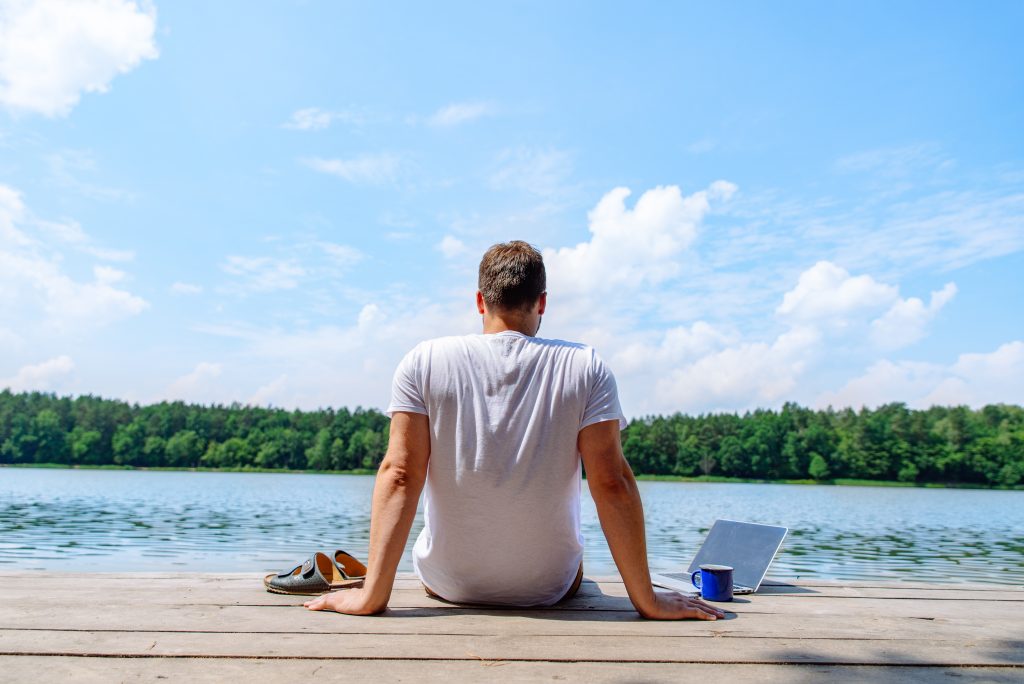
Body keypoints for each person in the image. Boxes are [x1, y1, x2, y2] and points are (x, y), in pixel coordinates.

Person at [305, 241, 724, 620]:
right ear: (541, 303)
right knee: (580, 566)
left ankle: (378, 589)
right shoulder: (586, 366)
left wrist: (371, 596)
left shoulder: (423, 360)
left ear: (479, 301)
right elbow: (611, 483)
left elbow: (399, 474)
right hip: (549, 588)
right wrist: (646, 600)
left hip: (448, 584)